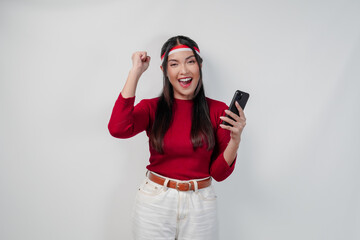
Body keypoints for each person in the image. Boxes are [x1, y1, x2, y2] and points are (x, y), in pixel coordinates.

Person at [108, 35, 246, 240]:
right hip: (155, 202)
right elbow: (118, 128)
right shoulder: (151, 108)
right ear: (165, 71)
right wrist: (135, 73)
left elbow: (218, 174)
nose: (184, 70)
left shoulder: (218, 110)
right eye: (174, 64)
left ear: (199, 66)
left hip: (201, 205)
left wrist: (235, 141)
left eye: (190, 62)